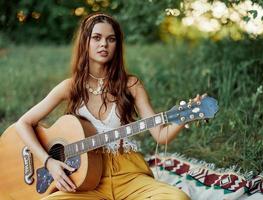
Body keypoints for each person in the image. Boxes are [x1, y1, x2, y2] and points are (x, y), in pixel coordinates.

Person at [16, 12, 200, 200]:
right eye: (96, 38)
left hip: (129, 175)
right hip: (84, 180)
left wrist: (186, 116)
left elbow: (161, 135)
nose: (104, 44)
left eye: (111, 39)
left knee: (178, 198)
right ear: (84, 42)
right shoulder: (70, 87)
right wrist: (49, 163)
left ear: (117, 46)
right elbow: (23, 123)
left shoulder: (131, 85)